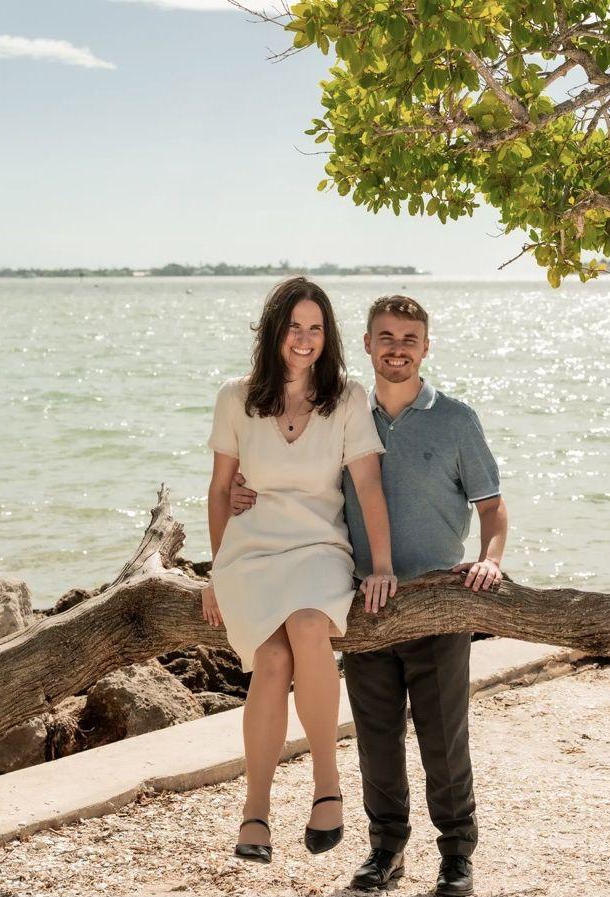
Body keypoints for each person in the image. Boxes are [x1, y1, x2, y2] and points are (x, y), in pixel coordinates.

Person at [230, 294, 508, 896]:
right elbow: (293, 476)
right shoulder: (341, 408)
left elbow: (492, 506)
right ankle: (386, 850)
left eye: (409, 339)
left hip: (436, 601)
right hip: (360, 600)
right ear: (366, 345)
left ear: (426, 347)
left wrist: (490, 560)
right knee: (376, 737)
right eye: (386, 337)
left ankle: (456, 855)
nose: (397, 349)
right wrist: (241, 493)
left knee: (443, 739)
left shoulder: (455, 419)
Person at [201, 277, 397, 866]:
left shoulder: (347, 398)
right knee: (271, 658)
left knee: (309, 627)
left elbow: (368, 485)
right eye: (294, 327)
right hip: (251, 554)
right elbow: (219, 490)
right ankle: (255, 809)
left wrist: (381, 566)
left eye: (316, 328)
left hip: (318, 547)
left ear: (327, 336)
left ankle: (326, 784)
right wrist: (216, 573)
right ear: (274, 331)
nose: (305, 339)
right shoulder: (236, 397)